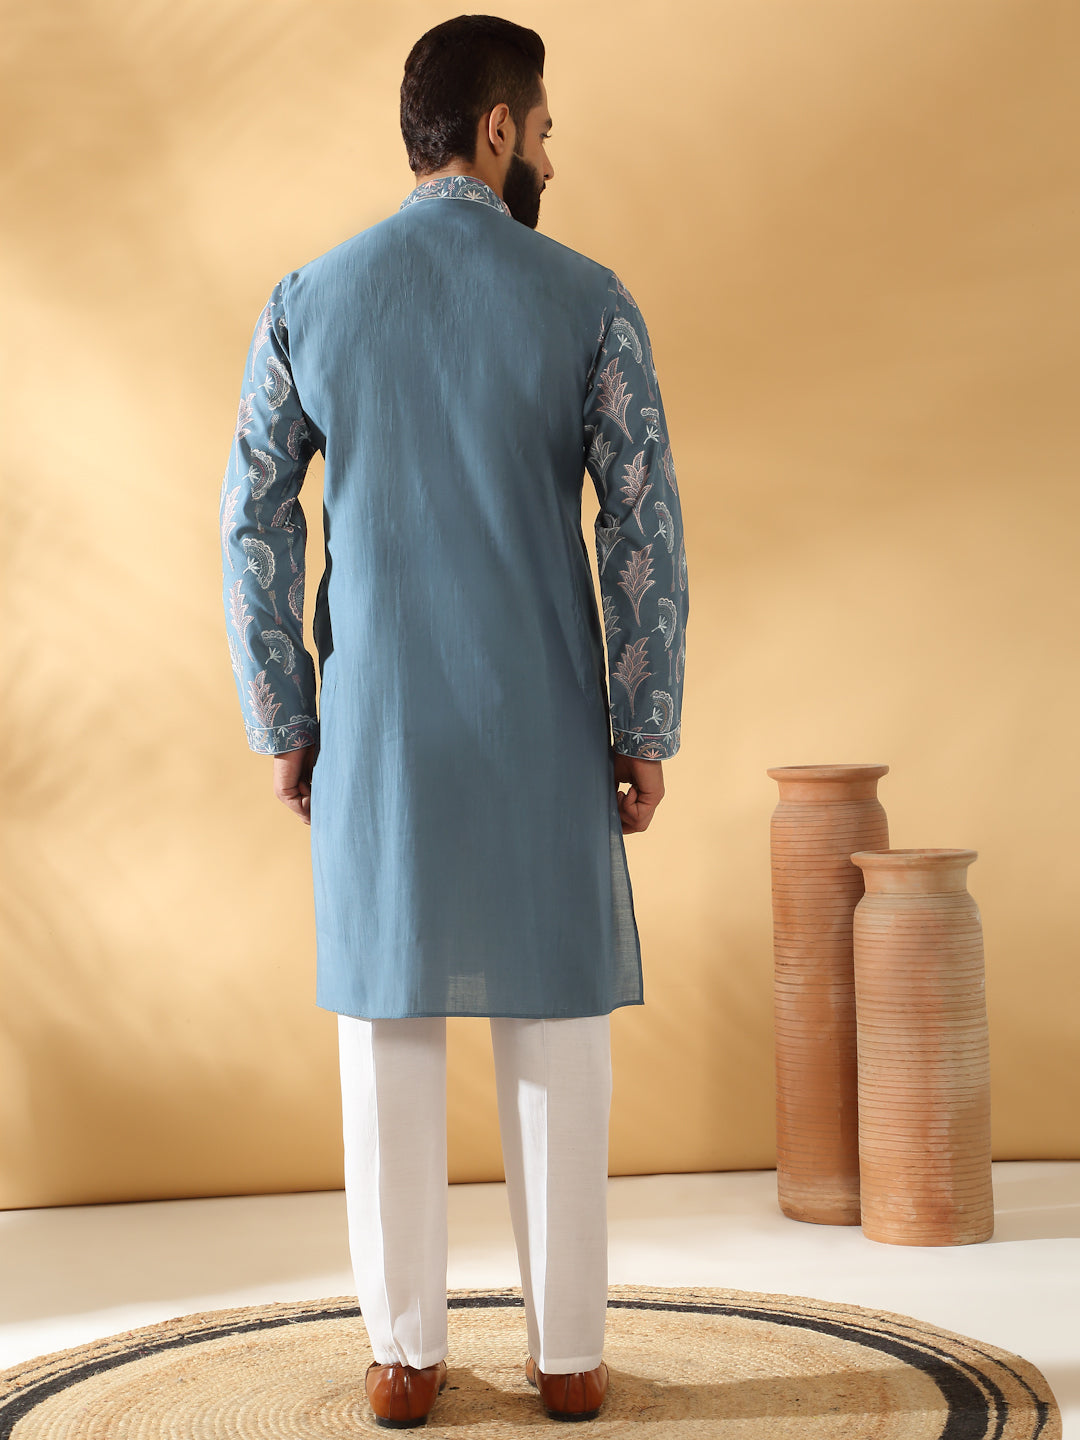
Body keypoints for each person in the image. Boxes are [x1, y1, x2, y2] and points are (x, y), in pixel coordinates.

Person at [218, 13, 688, 1427]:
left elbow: (252, 515)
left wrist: (285, 712)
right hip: (542, 711)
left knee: (389, 1024)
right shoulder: (590, 300)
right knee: (556, 1019)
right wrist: (642, 720)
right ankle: (570, 1357)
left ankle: (405, 1356)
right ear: (495, 130)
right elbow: (642, 524)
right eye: (542, 130)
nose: (549, 154)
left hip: (381, 723)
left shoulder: (309, 300)